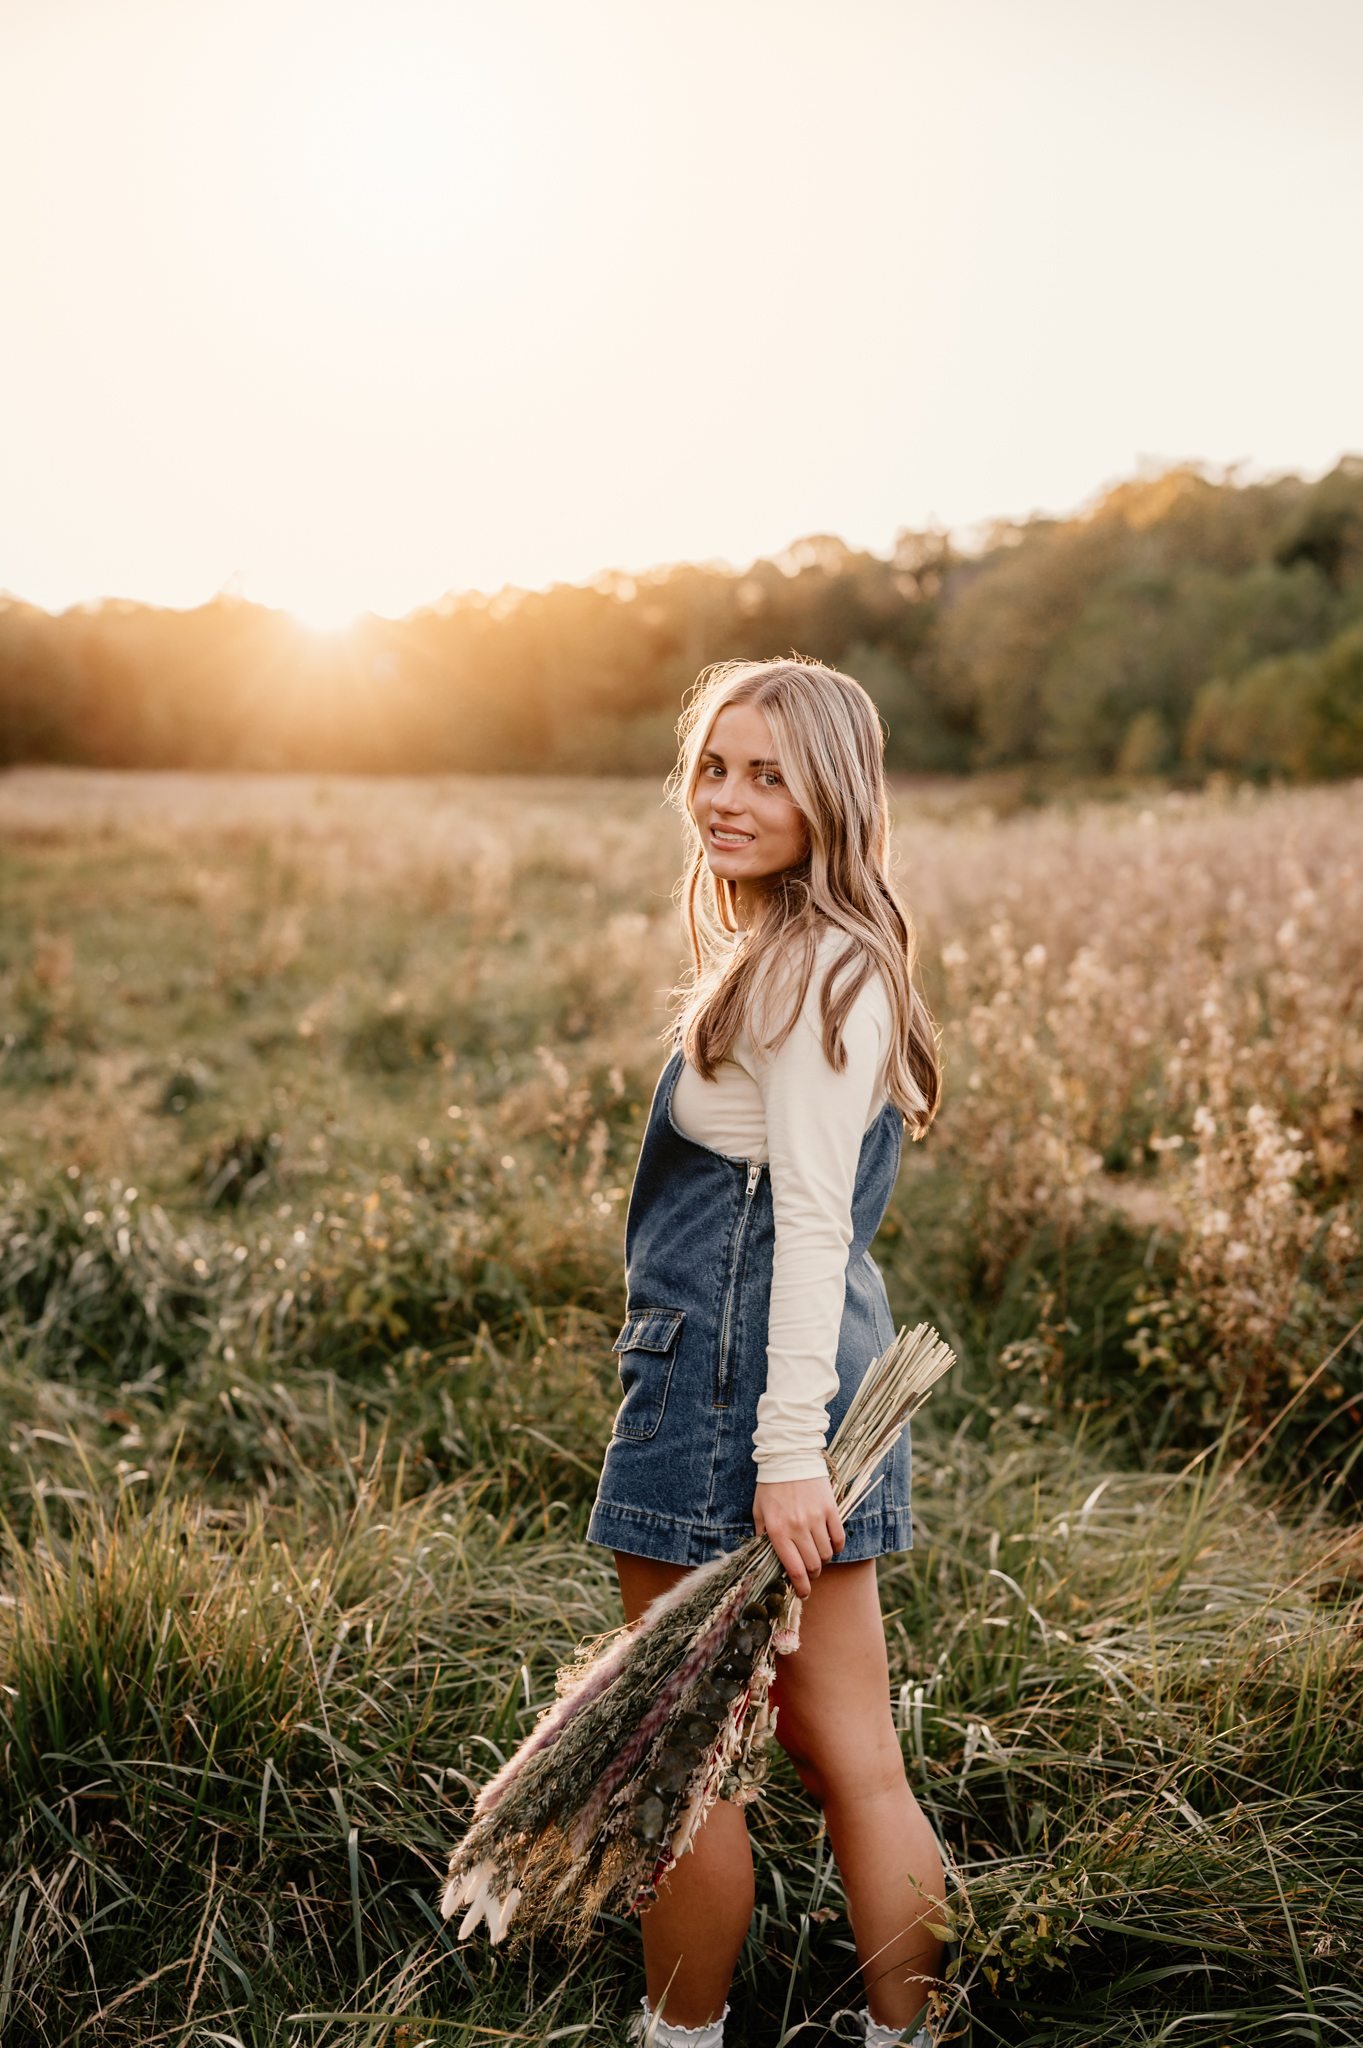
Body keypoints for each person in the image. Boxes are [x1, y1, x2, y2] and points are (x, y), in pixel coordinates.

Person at [585, 657, 949, 2048]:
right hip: (804, 1390)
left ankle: (678, 2040)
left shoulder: (813, 971)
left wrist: (786, 1459)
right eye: (714, 767)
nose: (725, 800)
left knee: (683, 1770)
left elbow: (806, 1226)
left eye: (768, 776)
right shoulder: (823, 955)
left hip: (738, 1401)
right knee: (852, 1758)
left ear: (832, 796)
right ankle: (908, 2036)